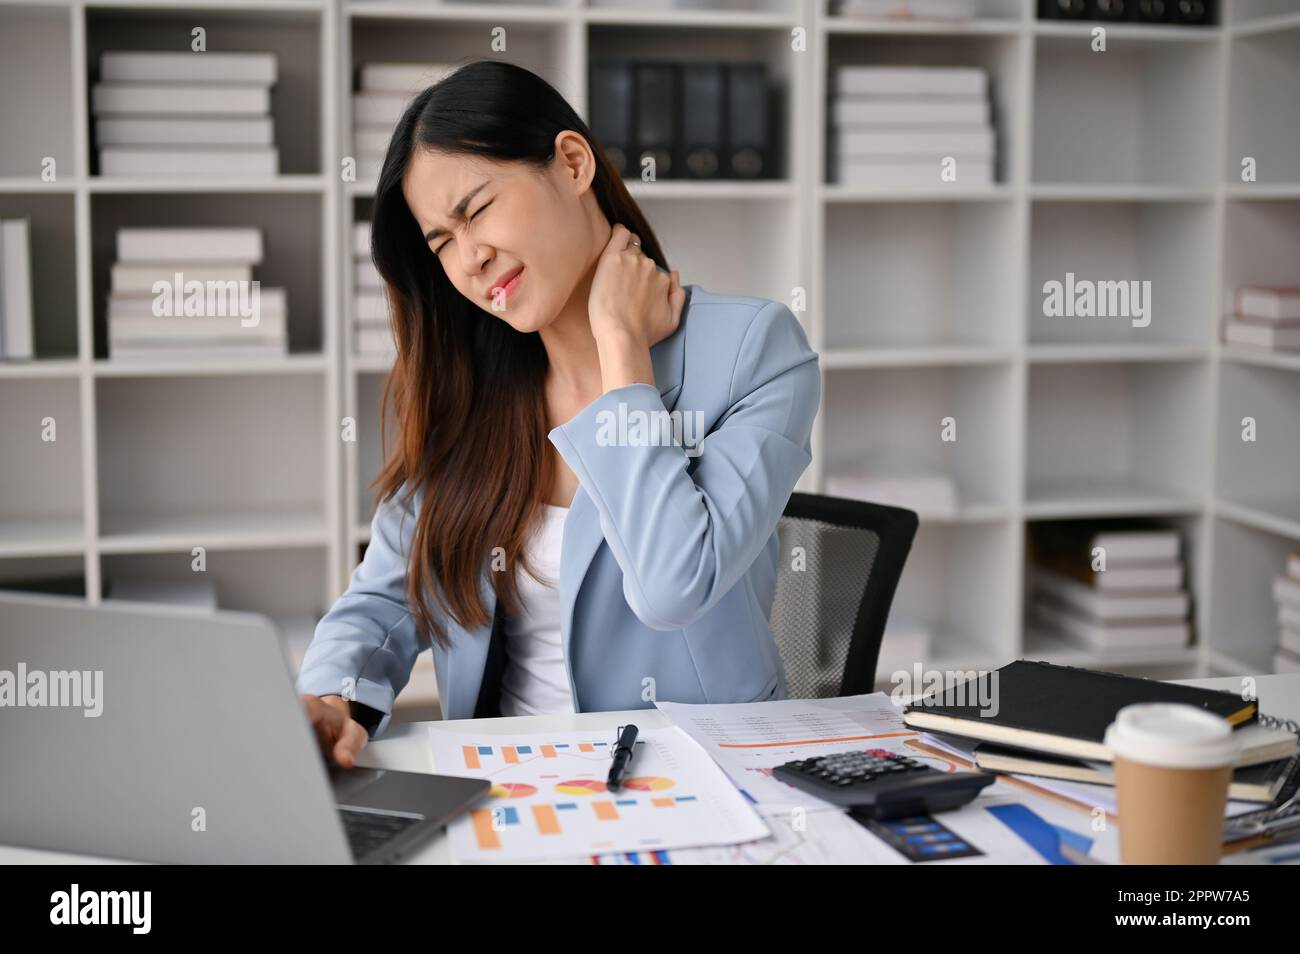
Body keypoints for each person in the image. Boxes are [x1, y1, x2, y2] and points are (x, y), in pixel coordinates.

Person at [298, 59, 820, 768]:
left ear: (572, 163)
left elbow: (674, 585)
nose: (470, 260)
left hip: (703, 780)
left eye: (476, 210)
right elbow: (389, 596)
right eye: (442, 244)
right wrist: (335, 700)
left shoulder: (753, 351)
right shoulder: (475, 385)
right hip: (511, 790)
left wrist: (621, 350)